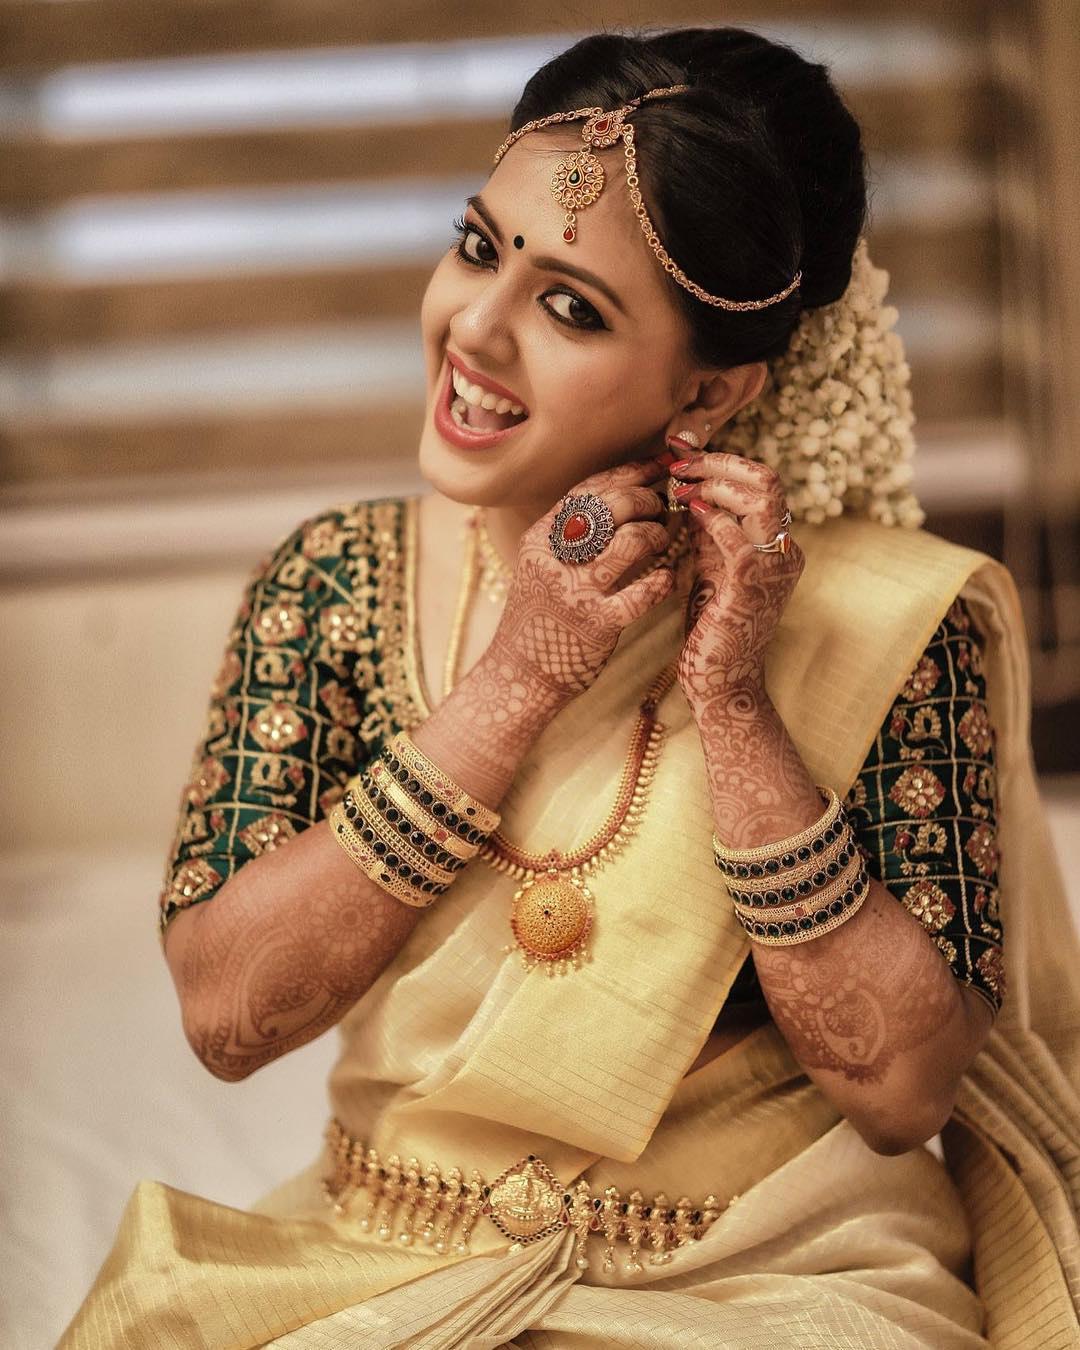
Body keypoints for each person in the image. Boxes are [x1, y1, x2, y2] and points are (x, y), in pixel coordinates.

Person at [61, 26, 1080, 1349]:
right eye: (480, 246)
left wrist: (733, 695)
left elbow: (900, 1089)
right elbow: (226, 1016)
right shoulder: (331, 579)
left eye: (572, 306)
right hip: (398, 1256)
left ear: (710, 391)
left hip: (783, 1271)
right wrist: (518, 681)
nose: (474, 329)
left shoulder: (874, 621)